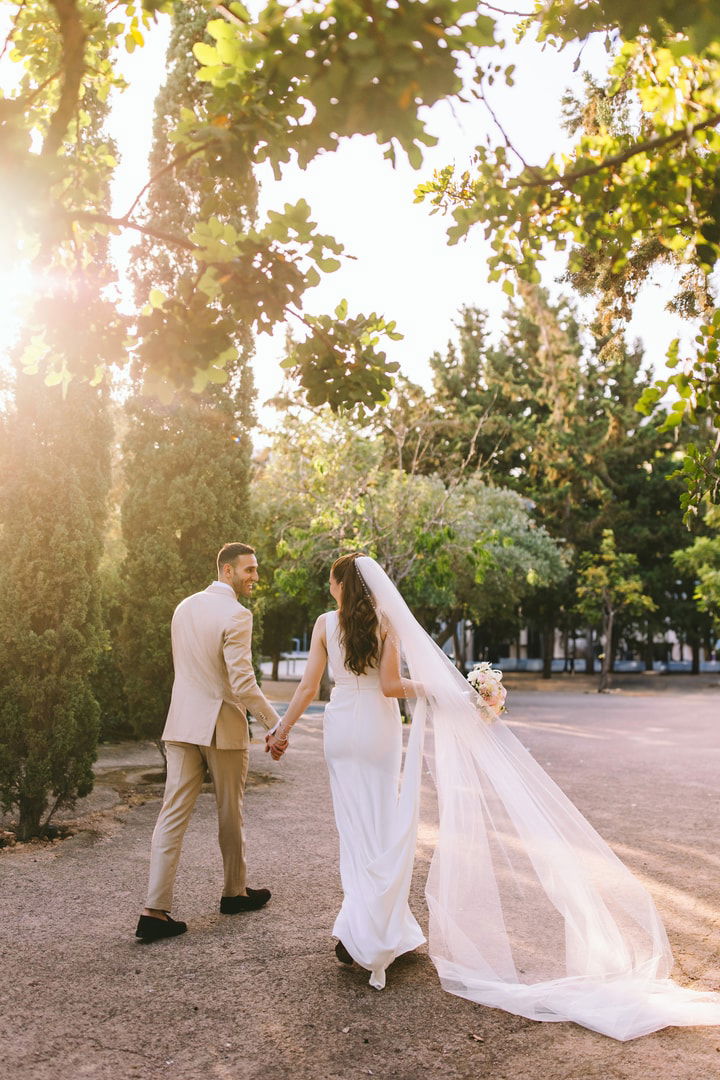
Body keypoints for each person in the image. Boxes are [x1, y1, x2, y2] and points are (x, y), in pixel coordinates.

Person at [266, 552, 720, 1040]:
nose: (329, 591)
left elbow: (310, 685)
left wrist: (281, 729)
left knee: (353, 832)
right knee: (381, 829)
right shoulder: (384, 623)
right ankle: (375, 930)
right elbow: (392, 687)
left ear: (340, 584)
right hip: (376, 735)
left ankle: (364, 930)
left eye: (332, 584)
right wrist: (446, 687)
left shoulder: (321, 624)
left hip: (340, 733)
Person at [136, 543, 282, 942]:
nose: (255, 577)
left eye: (255, 570)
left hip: (182, 723)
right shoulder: (237, 614)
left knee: (171, 815)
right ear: (227, 570)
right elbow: (242, 683)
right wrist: (275, 724)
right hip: (220, 726)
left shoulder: (183, 607)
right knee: (229, 812)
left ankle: (154, 910)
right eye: (249, 570)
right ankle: (234, 893)